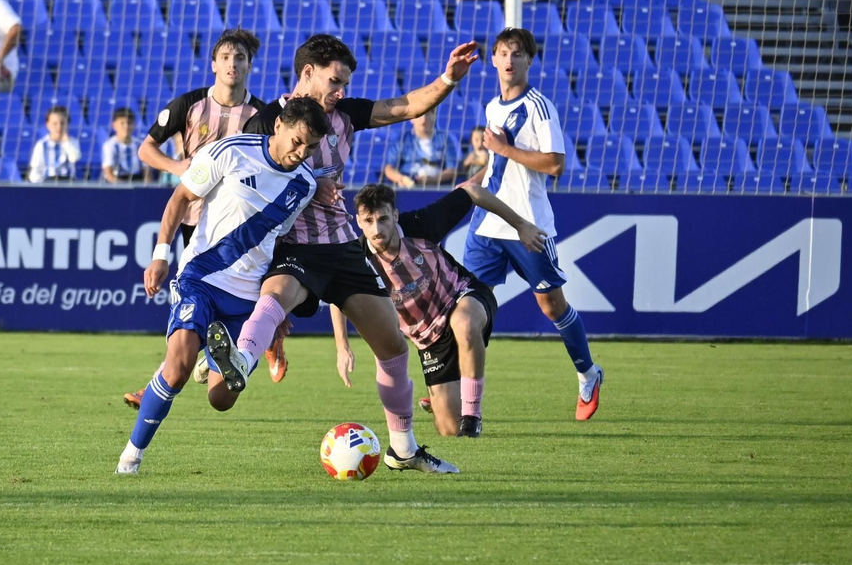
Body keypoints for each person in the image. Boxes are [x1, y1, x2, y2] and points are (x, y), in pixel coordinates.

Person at [224, 33, 479, 474]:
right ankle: (240, 361)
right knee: (275, 296)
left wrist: (448, 79)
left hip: (342, 245)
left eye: (344, 83)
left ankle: (403, 450)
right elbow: (245, 189)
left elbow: (404, 106)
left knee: (393, 346)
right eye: (335, 81)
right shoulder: (265, 122)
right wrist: (306, 185)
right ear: (308, 73)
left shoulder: (344, 115)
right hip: (294, 245)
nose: (341, 91)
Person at [116, 98, 330, 475]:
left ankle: (211, 359)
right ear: (278, 126)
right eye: (297, 142)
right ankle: (130, 458)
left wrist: (276, 308)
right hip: (201, 278)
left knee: (222, 399)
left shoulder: (305, 185)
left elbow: (277, 242)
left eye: (311, 148)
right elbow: (181, 197)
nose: (301, 153)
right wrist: (160, 254)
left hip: (246, 300)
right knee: (177, 369)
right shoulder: (231, 151)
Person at [120, 29, 271, 408]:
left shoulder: (263, 115)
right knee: (190, 304)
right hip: (196, 220)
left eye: (240, 58)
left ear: (250, 66)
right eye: (226, 57)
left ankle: (238, 351)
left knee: (231, 300)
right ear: (213, 64)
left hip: (240, 226)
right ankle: (174, 375)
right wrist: (177, 167)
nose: (232, 64)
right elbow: (146, 149)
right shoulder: (189, 104)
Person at [461, 26, 604, 420]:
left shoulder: (540, 107)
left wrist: (505, 148)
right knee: (466, 304)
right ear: (493, 59)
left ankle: (588, 374)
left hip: (528, 225)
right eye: (503, 53)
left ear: (529, 60)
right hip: (488, 222)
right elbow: (497, 165)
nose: (510, 60)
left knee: (551, 305)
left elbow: (556, 164)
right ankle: (455, 384)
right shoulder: (492, 107)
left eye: (517, 54)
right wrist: (471, 185)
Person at [341, 181, 546, 437]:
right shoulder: (357, 256)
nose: (377, 229)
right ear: (359, 222)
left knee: (464, 324)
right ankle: (443, 404)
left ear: (395, 215)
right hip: (428, 338)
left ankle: (472, 417)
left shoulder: (421, 224)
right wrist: (342, 346)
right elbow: (339, 295)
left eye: (383, 219)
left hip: (461, 296)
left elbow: (472, 191)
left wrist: (521, 225)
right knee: (448, 429)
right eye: (369, 221)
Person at [382, 111, 460, 188]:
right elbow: (389, 168)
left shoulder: (446, 139)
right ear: (411, 119)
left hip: (436, 187)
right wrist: (402, 179)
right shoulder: (401, 140)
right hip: (407, 186)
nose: (423, 119)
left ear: (434, 116)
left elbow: (453, 170)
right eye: (419, 115)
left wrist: (433, 180)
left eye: (427, 115)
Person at [28, 105, 79, 182]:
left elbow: (74, 158)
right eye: (55, 123)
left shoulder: (72, 142)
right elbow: (36, 168)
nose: (59, 127)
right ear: (48, 125)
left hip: (68, 181)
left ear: (67, 124)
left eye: (62, 123)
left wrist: (66, 142)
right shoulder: (41, 144)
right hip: (48, 181)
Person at [102, 108, 144, 183]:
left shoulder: (140, 144)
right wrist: (125, 187)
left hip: (137, 179)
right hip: (117, 181)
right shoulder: (110, 145)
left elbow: (147, 172)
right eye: (122, 123)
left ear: (134, 125)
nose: (126, 126)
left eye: (129, 123)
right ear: (114, 125)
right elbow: (109, 174)